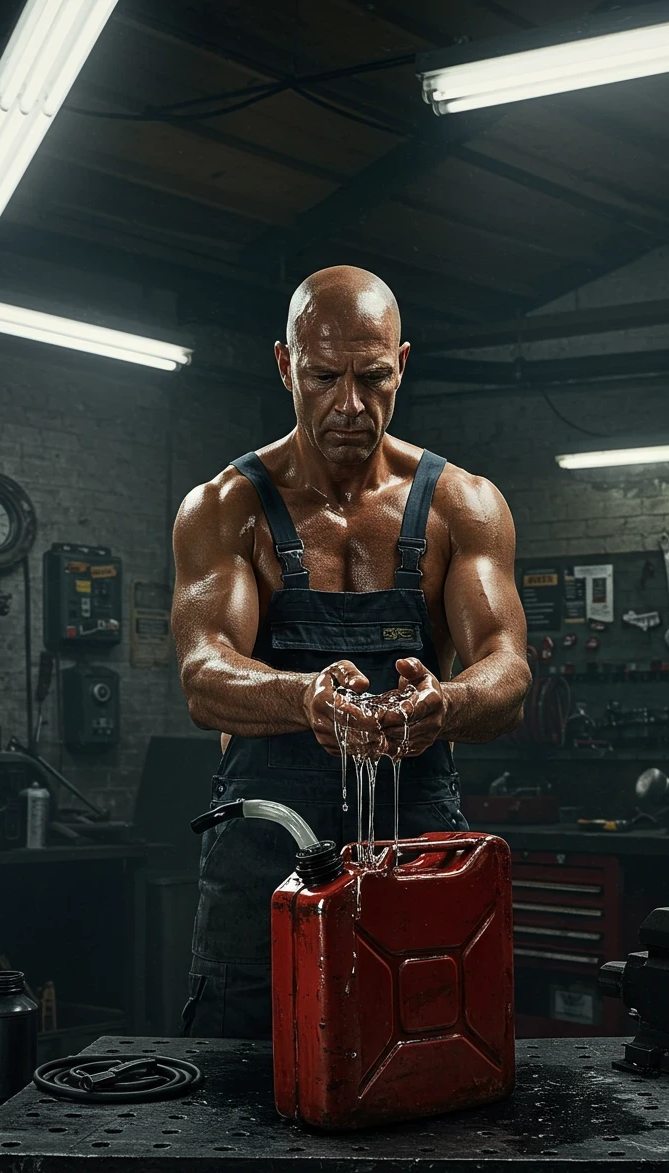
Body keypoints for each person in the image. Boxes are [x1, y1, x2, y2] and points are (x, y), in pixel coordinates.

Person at [171, 265, 530, 1038]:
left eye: (372, 378)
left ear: (401, 364)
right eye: (324, 376)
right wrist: (302, 699)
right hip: (266, 850)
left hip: (415, 847)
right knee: (237, 1076)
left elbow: (508, 668)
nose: (350, 405)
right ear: (284, 365)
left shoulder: (462, 504)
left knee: (424, 1053)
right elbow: (204, 676)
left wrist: (451, 704)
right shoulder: (225, 508)